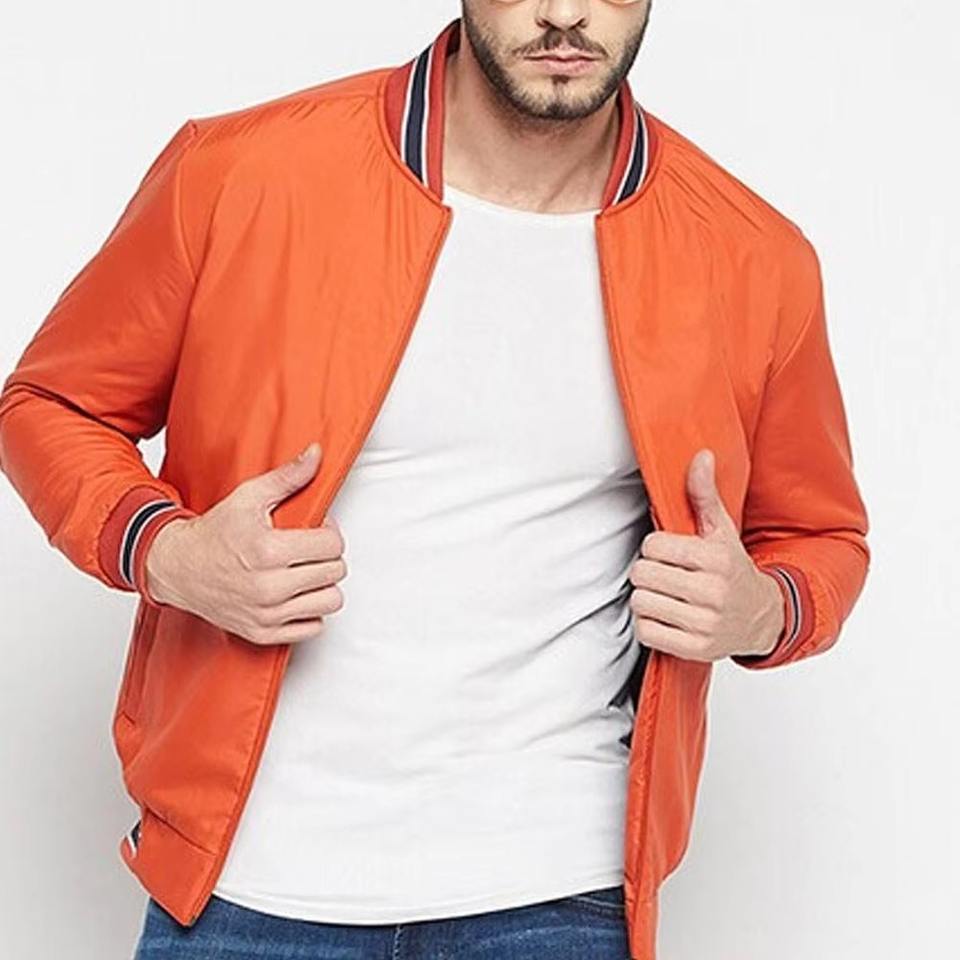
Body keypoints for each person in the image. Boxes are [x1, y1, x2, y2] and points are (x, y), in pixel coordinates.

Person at [0, 2, 870, 958]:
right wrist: (166, 551)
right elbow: (51, 404)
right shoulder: (239, 173)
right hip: (249, 882)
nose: (565, 13)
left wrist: (764, 610)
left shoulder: (751, 258)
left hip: (557, 886)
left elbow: (821, 536)